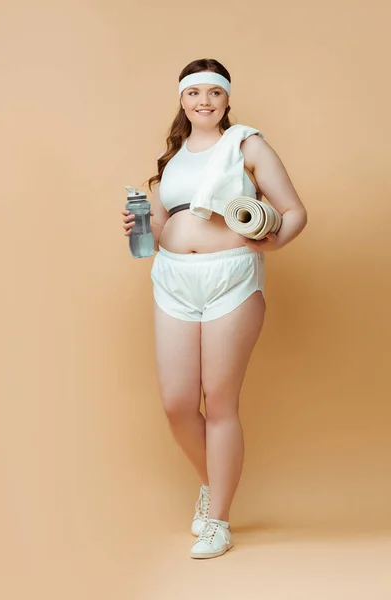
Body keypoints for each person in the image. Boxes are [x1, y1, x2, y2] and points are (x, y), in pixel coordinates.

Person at [122, 58, 307, 559]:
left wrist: (271, 245)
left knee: (219, 400)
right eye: (193, 93)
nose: (203, 102)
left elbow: (293, 211)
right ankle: (214, 482)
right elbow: (162, 229)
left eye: (213, 93)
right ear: (182, 101)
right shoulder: (174, 158)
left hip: (231, 277)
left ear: (227, 99)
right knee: (178, 404)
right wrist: (141, 227)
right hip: (174, 279)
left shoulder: (246, 144)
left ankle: (218, 520)